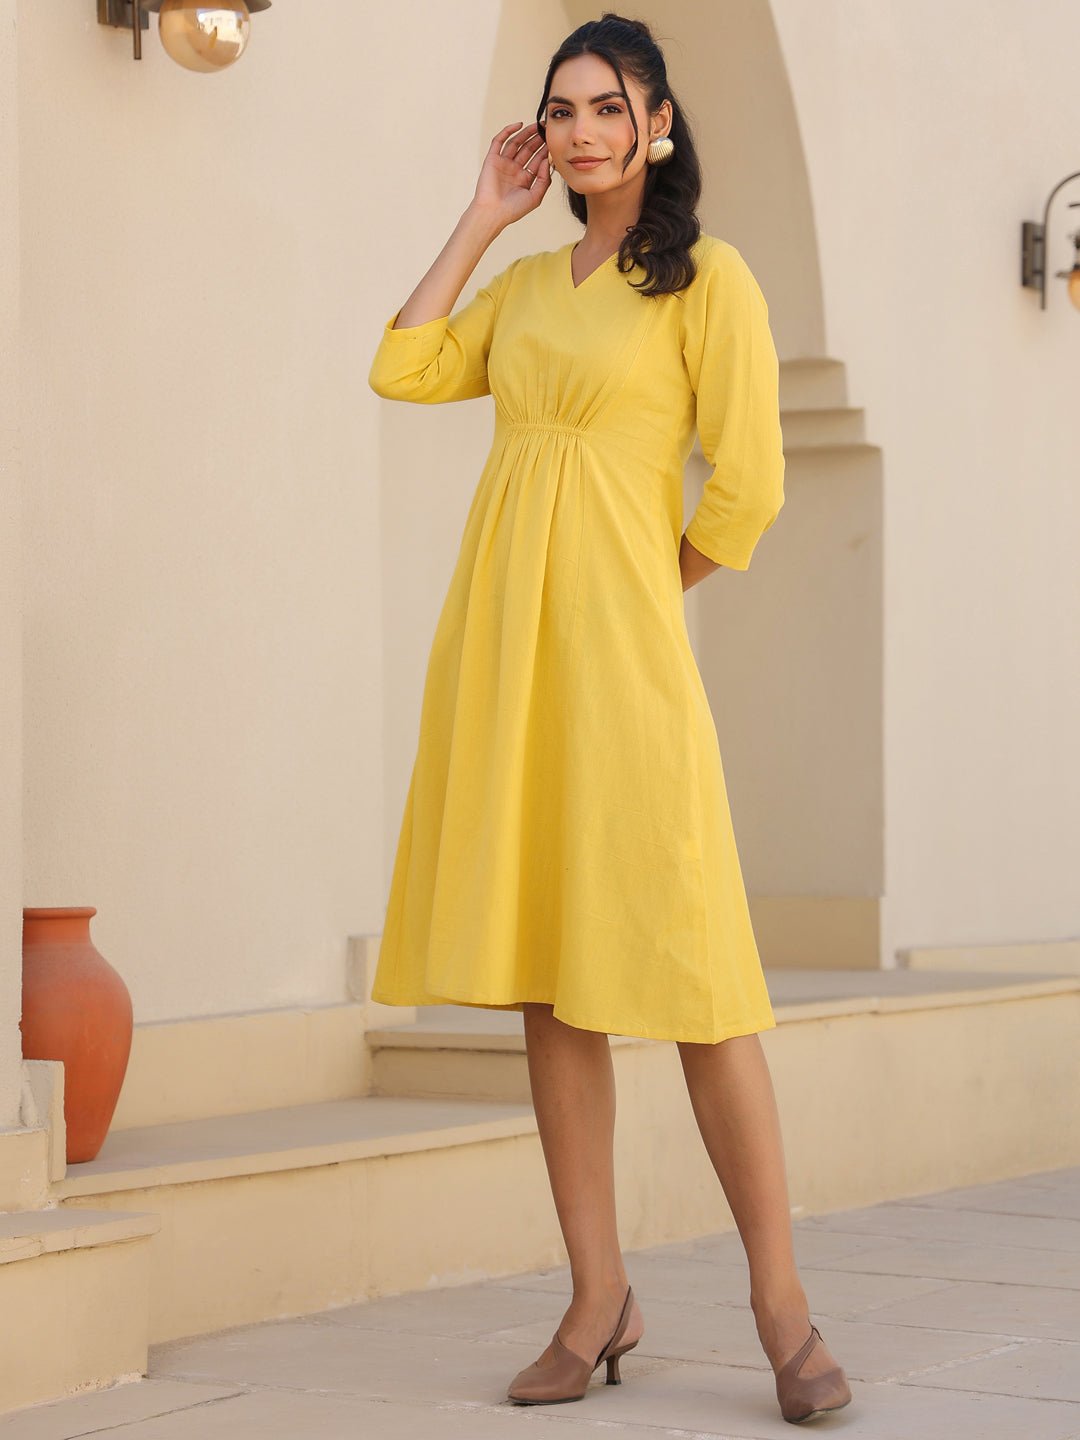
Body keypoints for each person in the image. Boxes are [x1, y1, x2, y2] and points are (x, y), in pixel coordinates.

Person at [367, 11, 853, 1426]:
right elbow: (403, 366)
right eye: (561, 110)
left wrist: (642, 588)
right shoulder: (524, 288)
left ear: (658, 125)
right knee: (551, 981)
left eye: (606, 108)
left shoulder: (708, 282)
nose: (580, 132)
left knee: (700, 982)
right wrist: (482, 215)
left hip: (625, 666)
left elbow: (749, 488)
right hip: (505, 661)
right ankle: (598, 1297)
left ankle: (781, 1305)